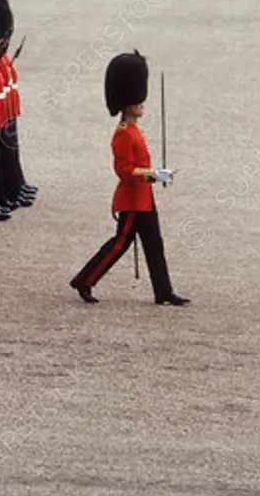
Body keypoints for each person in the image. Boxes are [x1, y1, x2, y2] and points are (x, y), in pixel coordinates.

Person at [69, 52, 189, 307]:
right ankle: (85, 279)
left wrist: (154, 175)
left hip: (144, 199)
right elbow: (125, 171)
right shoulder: (124, 134)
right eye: (137, 100)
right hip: (132, 201)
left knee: (154, 245)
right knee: (119, 244)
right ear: (127, 103)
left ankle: (163, 291)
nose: (141, 104)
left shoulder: (134, 130)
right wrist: (154, 175)